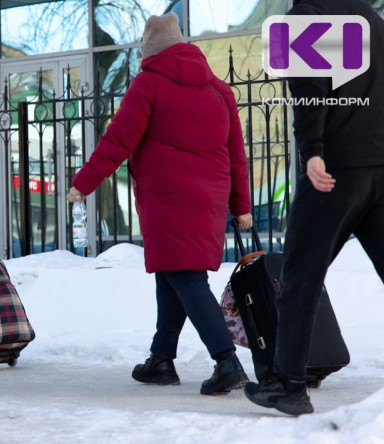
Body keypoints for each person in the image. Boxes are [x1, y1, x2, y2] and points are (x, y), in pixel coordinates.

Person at [66, 12, 253, 396]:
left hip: (168, 199)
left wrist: (83, 184)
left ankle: (226, 360)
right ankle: (161, 359)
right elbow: (237, 154)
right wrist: (243, 206)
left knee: (186, 277)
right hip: (210, 199)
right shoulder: (220, 90)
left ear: (149, 51)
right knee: (172, 274)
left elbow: (117, 142)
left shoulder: (148, 85)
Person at [244, 0, 384, 416]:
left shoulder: (307, 15)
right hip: (379, 166)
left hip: (336, 171)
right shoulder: (369, 18)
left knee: (300, 277)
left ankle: (289, 385)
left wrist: (312, 151)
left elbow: (309, 89)